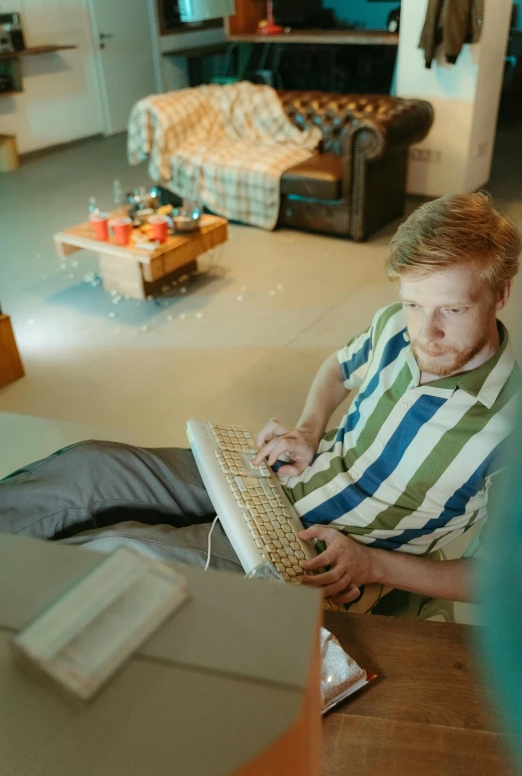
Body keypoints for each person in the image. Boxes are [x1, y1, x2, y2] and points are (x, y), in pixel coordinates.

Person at [1, 193, 520, 614]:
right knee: (93, 466)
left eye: (452, 308)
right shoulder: (393, 326)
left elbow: (501, 579)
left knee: (122, 554)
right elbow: (339, 368)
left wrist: (375, 567)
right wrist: (310, 430)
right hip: (278, 480)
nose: (424, 333)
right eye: (414, 304)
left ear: (500, 295)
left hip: (320, 554)